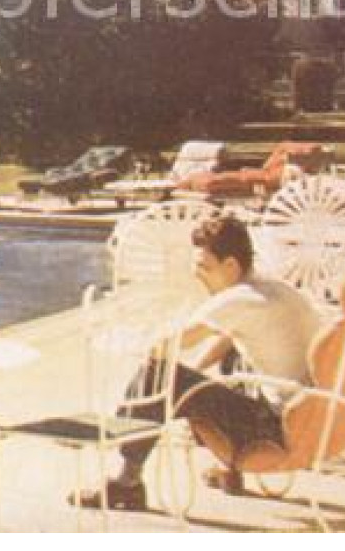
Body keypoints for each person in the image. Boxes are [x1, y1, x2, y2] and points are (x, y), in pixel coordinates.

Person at [72, 215, 322, 509]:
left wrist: (154, 360)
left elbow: (164, 347)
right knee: (226, 358)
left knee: (159, 374)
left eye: (205, 267)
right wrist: (196, 374)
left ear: (231, 265)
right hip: (306, 415)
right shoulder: (276, 289)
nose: (198, 275)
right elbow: (226, 338)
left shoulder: (238, 299)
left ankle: (127, 481)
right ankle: (231, 471)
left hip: (272, 431)